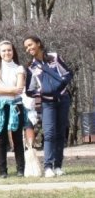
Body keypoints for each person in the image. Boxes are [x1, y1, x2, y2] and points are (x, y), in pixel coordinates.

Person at [23, 35, 73, 178]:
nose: (28, 49)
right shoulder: (31, 67)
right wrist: (41, 91)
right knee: (49, 133)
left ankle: (58, 166)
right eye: (26, 47)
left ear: (38, 43)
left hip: (63, 99)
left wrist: (59, 87)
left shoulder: (54, 57)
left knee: (60, 134)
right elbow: (29, 90)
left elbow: (68, 74)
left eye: (30, 45)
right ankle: (48, 167)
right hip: (47, 103)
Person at [0, 40, 26, 178]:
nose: (7, 53)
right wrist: (11, 90)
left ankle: (21, 169)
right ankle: (2, 171)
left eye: (9, 50)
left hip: (16, 106)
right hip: (0, 106)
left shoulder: (19, 68)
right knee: (1, 139)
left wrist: (3, 90)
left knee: (17, 138)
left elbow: (20, 89)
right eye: (4, 50)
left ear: (13, 51)